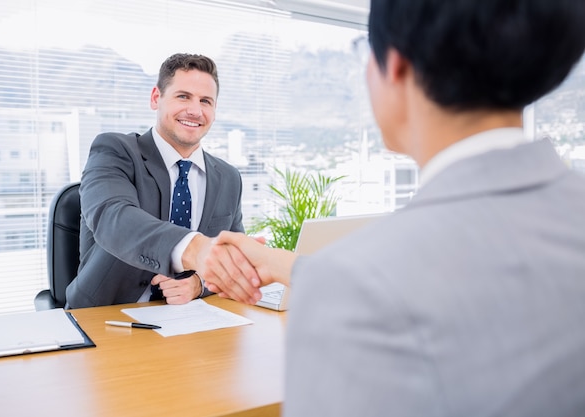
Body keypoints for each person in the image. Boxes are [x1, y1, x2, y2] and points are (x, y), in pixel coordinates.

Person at [203, 1, 585, 416]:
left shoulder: (358, 290)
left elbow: (383, 287)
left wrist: (335, 280)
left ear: (396, 66)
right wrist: (277, 262)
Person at [65, 53, 245, 308]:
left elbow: (231, 260)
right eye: (183, 96)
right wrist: (193, 249)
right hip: (107, 318)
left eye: (206, 101)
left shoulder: (228, 177)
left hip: (191, 323)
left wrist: (199, 285)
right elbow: (114, 219)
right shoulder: (115, 151)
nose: (195, 110)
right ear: (155, 98)